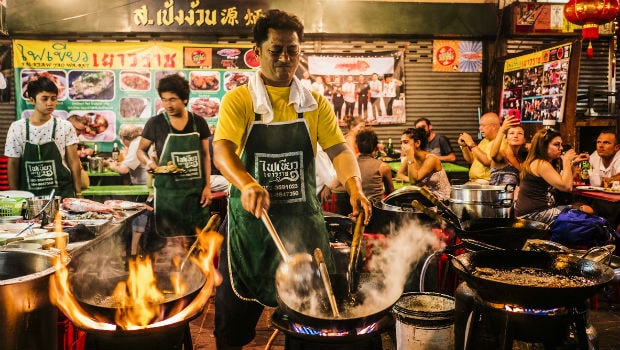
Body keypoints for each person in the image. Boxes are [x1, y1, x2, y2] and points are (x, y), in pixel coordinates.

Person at [212, 10, 371, 349]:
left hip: (301, 225)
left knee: (308, 323)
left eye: (293, 50)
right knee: (231, 326)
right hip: (252, 227)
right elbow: (222, 151)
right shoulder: (239, 100)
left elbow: (340, 150)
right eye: (276, 50)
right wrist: (248, 183)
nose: (286, 58)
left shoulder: (314, 103)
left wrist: (355, 186)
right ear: (256, 52)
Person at [137, 74, 212, 237]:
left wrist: (207, 187)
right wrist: (148, 162)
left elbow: (206, 155)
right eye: (164, 99)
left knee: (196, 242)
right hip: (167, 196)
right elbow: (140, 151)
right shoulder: (155, 123)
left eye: (172, 99)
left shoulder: (198, 122)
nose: (167, 104)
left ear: (184, 99)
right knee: (166, 244)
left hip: (194, 195)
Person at [5, 76, 82, 199]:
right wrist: (15, 195)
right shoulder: (17, 128)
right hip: (29, 198)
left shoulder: (64, 126)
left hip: (61, 195)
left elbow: (74, 162)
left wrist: (78, 193)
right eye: (44, 99)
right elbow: (13, 163)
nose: (50, 103)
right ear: (32, 100)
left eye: (53, 98)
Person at [514, 128, 591, 225]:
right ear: (543, 146)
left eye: (561, 144)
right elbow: (566, 187)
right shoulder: (540, 164)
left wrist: (574, 164)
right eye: (556, 144)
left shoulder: (543, 163)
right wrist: (566, 160)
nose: (561, 148)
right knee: (585, 217)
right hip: (533, 215)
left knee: (586, 209)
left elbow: (562, 182)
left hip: (540, 211)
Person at [396, 127, 451, 200]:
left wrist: (415, 181)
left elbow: (414, 181)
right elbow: (399, 175)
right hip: (426, 196)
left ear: (417, 143)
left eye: (405, 142)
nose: (402, 146)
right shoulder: (410, 157)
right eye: (401, 143)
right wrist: (413, 180)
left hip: (442, 200)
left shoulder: (431, 159)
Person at [458, 112, 501, 184]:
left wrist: (471, 143)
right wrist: (464, 146)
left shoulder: (500, 141)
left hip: (487, 182)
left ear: (493, 126)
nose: (480, 128)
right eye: (480, 125)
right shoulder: (485, 140)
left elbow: (487, 161)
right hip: (475, 181)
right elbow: (471, 160)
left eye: (483, 125)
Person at [489, 115, 528, 186]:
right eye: (511, 133)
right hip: (498, 196)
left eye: (520, 133)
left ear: (524, 139)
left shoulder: (524, 157)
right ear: (506, 139)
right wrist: (502, 130)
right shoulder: (502, 155)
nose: (515, 136)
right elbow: (493, 155)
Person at [356, 128, 394, 202]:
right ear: (376, 147)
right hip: (377, 210)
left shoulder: (351, 165)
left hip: (355, 208)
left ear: (358, 147)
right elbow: (390, 193)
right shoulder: (383, 167)